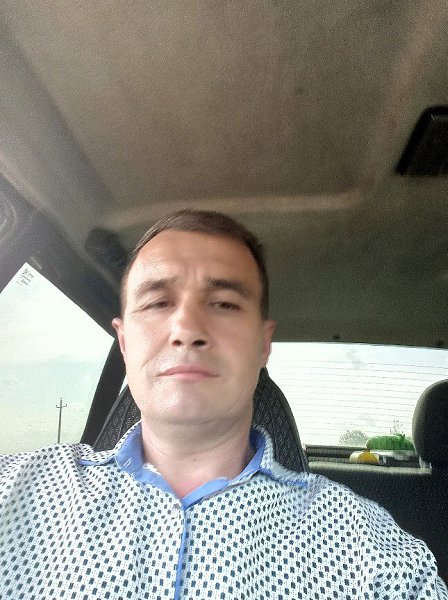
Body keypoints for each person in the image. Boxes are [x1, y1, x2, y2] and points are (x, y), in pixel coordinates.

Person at [0, 209, 447, 600]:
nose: (186, 329)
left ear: (262, 345)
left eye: (225, 304)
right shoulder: (16, 492)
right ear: (124, 342)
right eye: (157, 302)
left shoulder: (371, 552)